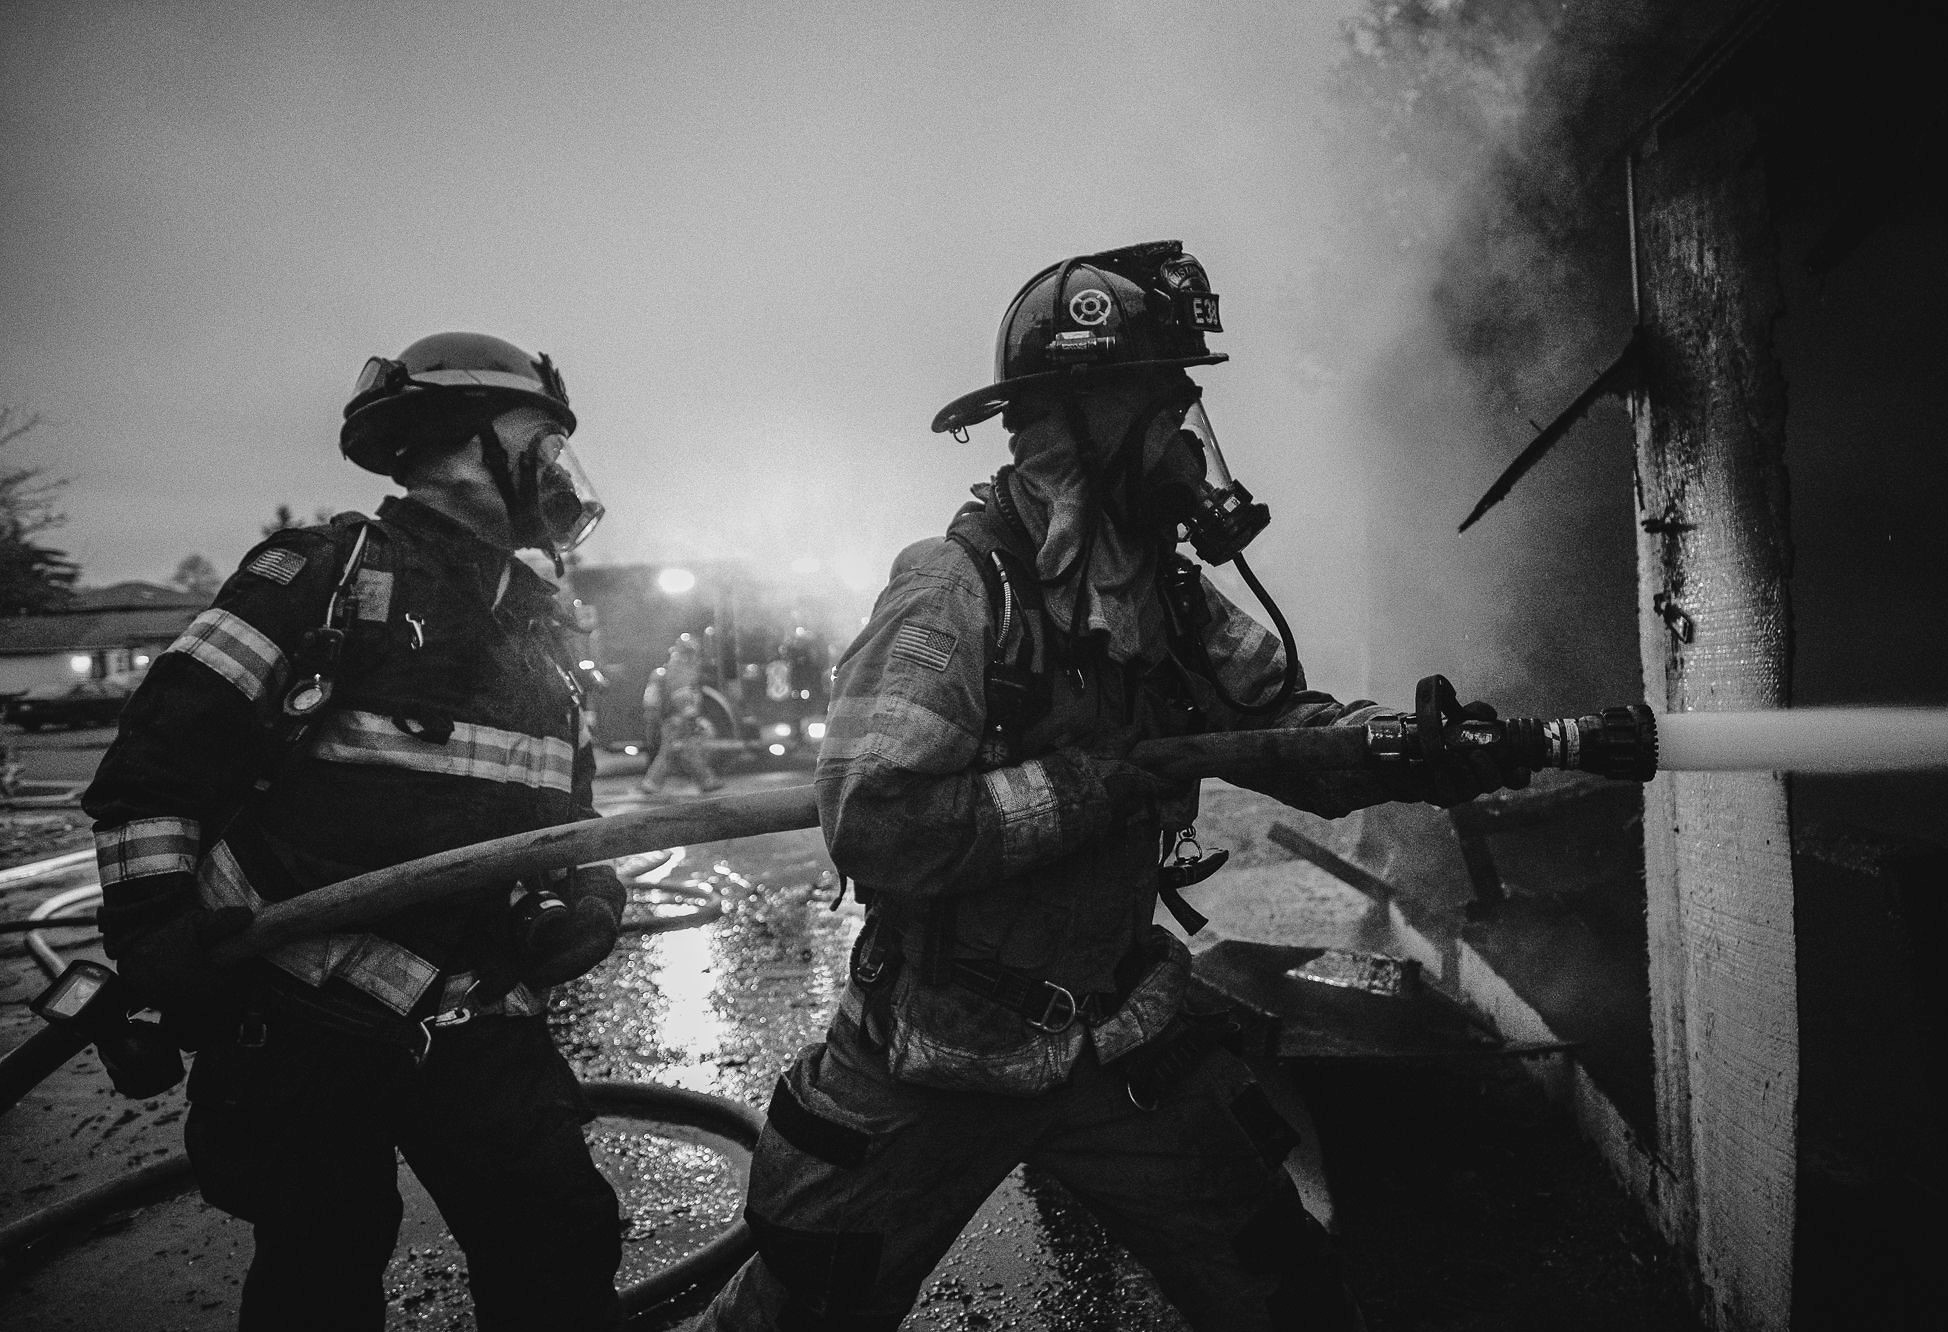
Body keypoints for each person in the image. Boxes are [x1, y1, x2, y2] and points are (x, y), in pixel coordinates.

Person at [697, 242, 1524, 1331]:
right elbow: (877, 823)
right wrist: (1112, 779)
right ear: (1080, 419)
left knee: (1279, 1284)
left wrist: (1407, 747)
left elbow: (1284, 725)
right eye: (1160, 408)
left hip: (1114, 1040)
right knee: (798, 1313)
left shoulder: (1168, 597)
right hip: (937, 1054)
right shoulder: (955, 591)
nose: (1185, 443)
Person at [83, 331, 628, 1331]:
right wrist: (155, 928)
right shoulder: (321, 580)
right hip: (296, 1017)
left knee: (559, 1239)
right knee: (320, 1269)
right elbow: (157, 761)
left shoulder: (539, 637)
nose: (556, 469)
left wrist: (583, 894)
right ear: (457, 446)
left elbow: (562, 818)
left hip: (474, 1016)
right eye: (538, 442)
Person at [637, 631, 724, 796]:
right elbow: (682, 695)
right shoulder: (680, 669)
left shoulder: (671, 667)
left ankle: (706, 780)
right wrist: (690, 716)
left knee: (680, 750)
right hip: (677, 718)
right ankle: (705, 781)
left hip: (673, 717)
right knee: (676, 750)